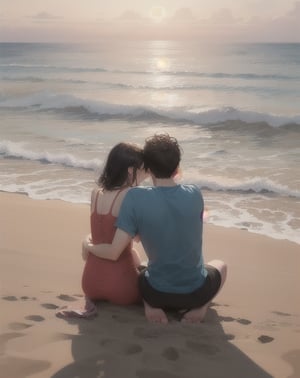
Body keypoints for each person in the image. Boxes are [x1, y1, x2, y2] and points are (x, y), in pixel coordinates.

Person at [83, 134, 227, 324]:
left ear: (149, 169)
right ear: (177, 168)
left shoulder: (135, 198)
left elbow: (129, 240)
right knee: (221, 265)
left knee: (143, 270)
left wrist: (88, 244)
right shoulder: (195, 193)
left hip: (154, 293)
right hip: (195, 293)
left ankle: (151, 306)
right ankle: (200, 307)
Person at [81, 142, 146, 306]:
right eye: (143, 169)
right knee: (144, 267)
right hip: (121, 288)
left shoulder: (95, 193)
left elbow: (100, 236)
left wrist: (88, 244)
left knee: (133, 252)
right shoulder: (131, 195)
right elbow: (136, 239)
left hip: (90, 284)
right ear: (131, 171)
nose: (145, 174)